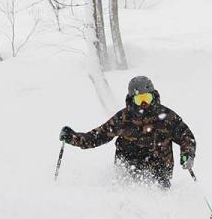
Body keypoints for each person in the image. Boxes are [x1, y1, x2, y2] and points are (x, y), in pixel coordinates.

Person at [60, 75, 195, 188]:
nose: (144, 104)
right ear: (132, 99)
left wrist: (187, 154)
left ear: (153, 96)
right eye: (139, 99)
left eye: (147, 98)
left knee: (157, 201)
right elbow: (98, 136)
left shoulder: (166, 117)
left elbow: (186, 136)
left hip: (159, 172)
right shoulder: (124, 118)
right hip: (130, 170)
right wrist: (73, 138)